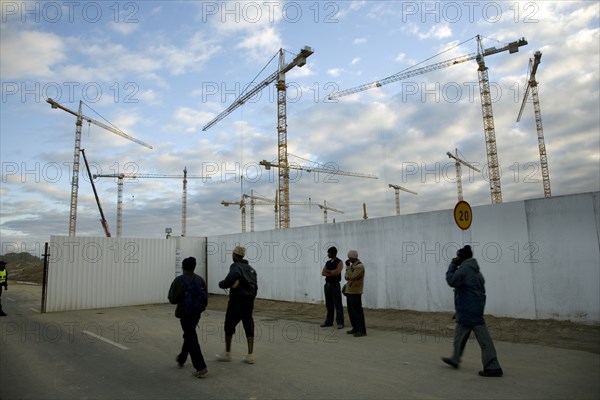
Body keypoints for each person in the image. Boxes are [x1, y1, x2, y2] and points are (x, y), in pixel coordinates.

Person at [442, 245, 503, 377]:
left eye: (458, 256)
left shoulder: (464, 269)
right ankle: (455, 359)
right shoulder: (476, 271)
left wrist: (452, 265)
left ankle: (493, 366)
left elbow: (451, 281)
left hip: (469, 310)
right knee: (460, 335)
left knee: (483, 339)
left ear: (462, 257)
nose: (456, 258)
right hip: (472, 308)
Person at [168, 257, 208, 378]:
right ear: (194, 267)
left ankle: (200, 367)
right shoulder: (200, 280)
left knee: (191, 337)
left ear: (183, 267)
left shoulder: (179, 280)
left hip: (185, 313)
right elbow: (205, 299)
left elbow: (172, 299)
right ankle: (182, 358)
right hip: (196, 314)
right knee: (189, 334)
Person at [218, 246, 258, 364]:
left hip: (236, 301)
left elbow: (231, 278)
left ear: (234, 255)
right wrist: (251, 297)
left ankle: (227, 354)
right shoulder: (252, 269)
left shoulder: (235, 266)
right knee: (248, 324)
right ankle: (250, 355)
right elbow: (255, 286)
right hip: (249, 301)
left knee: (229, 324)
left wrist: (222, 284)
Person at [344, 250, 366, 337]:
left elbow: (351, 276)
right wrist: (349, 270)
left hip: (355, 292)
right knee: (351, 311)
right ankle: (355, 328)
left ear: (353, 257)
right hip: (349, 291)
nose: (348, 260)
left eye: (349, 258)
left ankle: (362, 330)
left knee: (357, 311)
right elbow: (346, 276)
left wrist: (348, 268)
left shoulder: (360, 266)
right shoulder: (353, 266)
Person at [321, 246, 344, 329]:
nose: (328, 254)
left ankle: (340, 322)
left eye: (329, 253)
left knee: (338, 304)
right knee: (329, 304)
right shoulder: (328, 262)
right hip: (327, 285)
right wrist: (331, 272)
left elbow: (337, 272)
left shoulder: (340, 262)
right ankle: (329, 321)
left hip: (335, 285)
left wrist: (329, 272)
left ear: (333, 253)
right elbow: (323, 273)